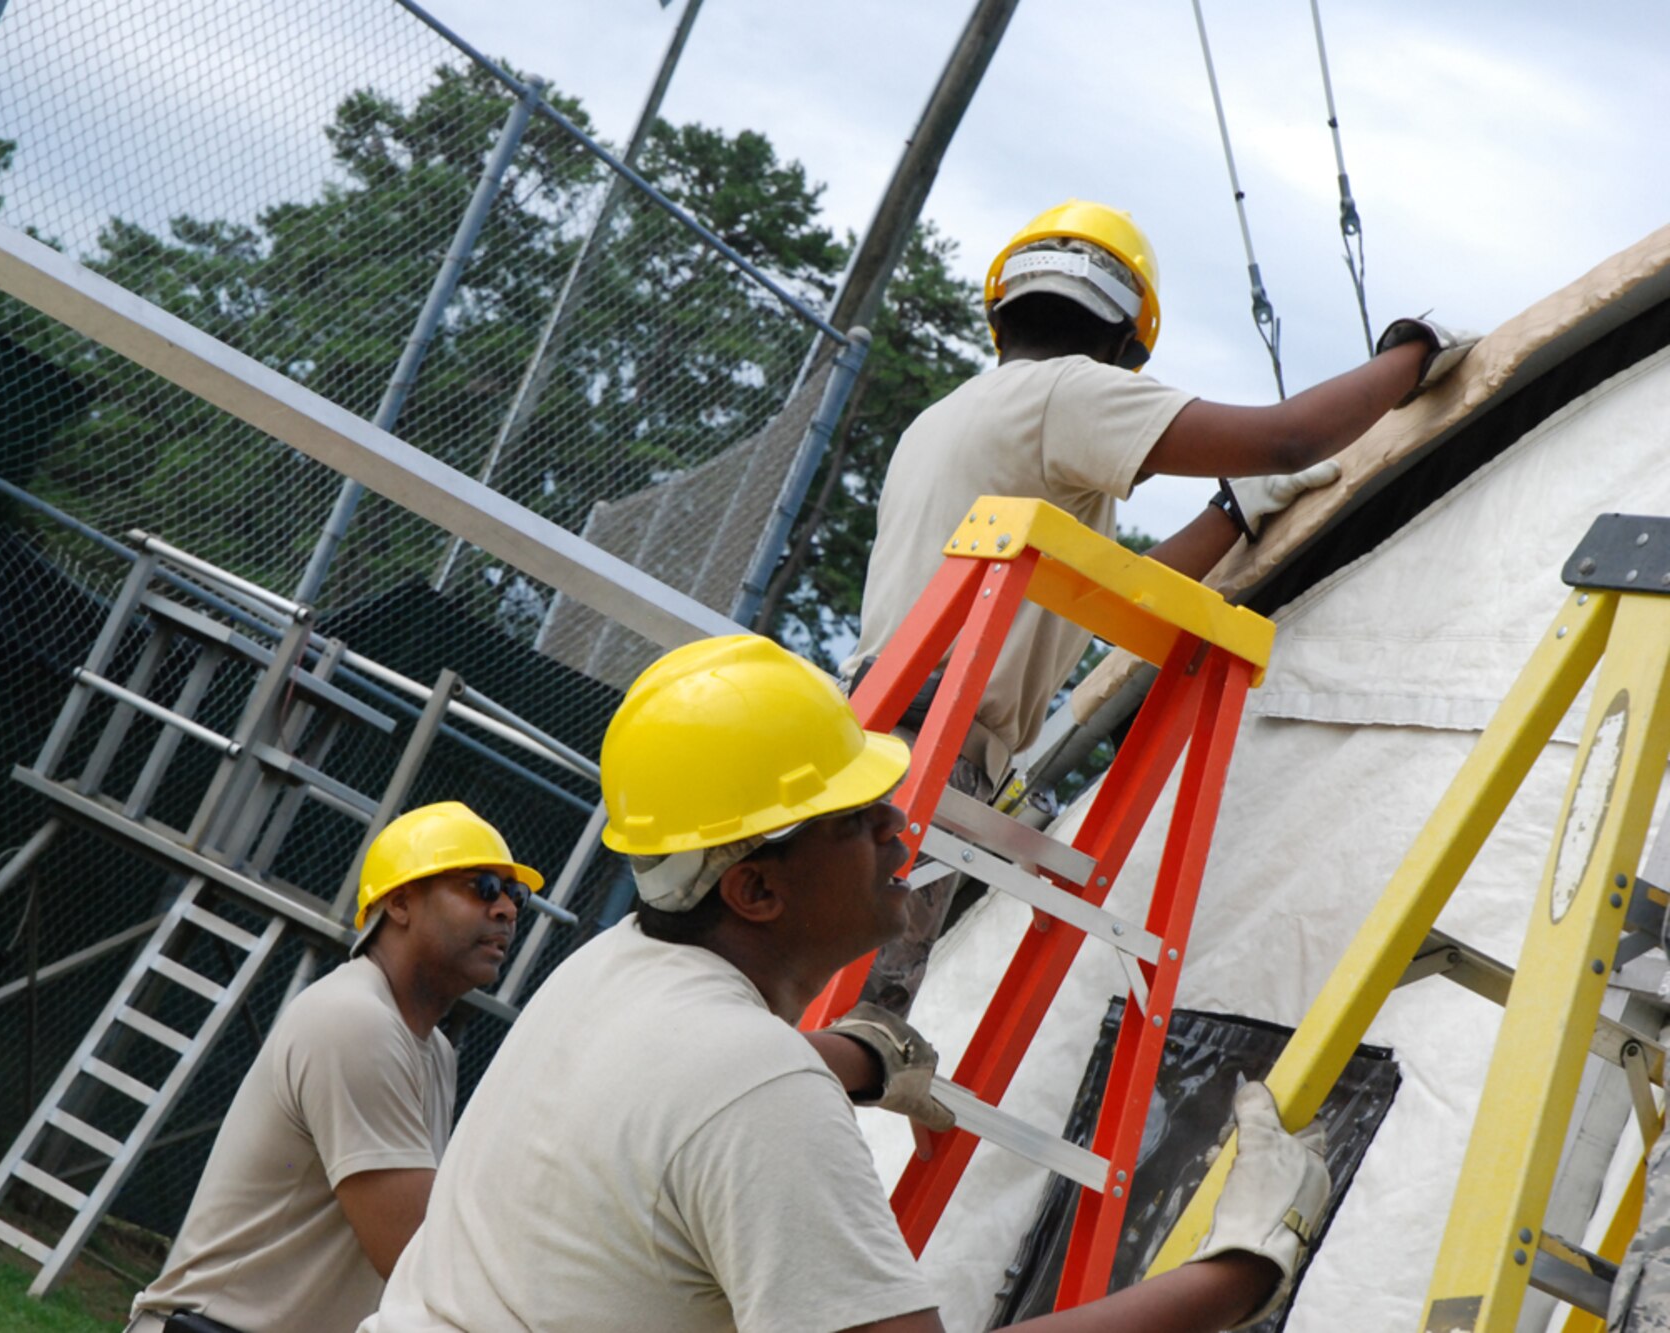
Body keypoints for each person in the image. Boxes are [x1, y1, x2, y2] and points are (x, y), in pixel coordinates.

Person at [365, 634, 1329, 1333]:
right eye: (850, 817)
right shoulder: (752, 1085)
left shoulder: (610, 969)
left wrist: (861, 1057)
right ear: (753, 886)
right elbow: (733, 1094)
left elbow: (678, 1105)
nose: (895, 828)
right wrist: (1239, 1269)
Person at [845, 198, 1477, 1014]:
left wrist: (1233, 512)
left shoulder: (957, 420)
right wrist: (1414, 351)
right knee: (850, 1038)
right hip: (933, 751)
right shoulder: (1067, 393)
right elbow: (1287, 437)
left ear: (1003, 315)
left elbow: (1105, 594)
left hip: (885, 727)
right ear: (1123, 345)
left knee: (830, 1011)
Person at [124, 801, 544, 1333]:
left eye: (516, 895)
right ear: (399, 902)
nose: (506, 909)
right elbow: (419, 1263)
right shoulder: (355, 1021)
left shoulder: (433, 1049)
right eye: (481, 886)